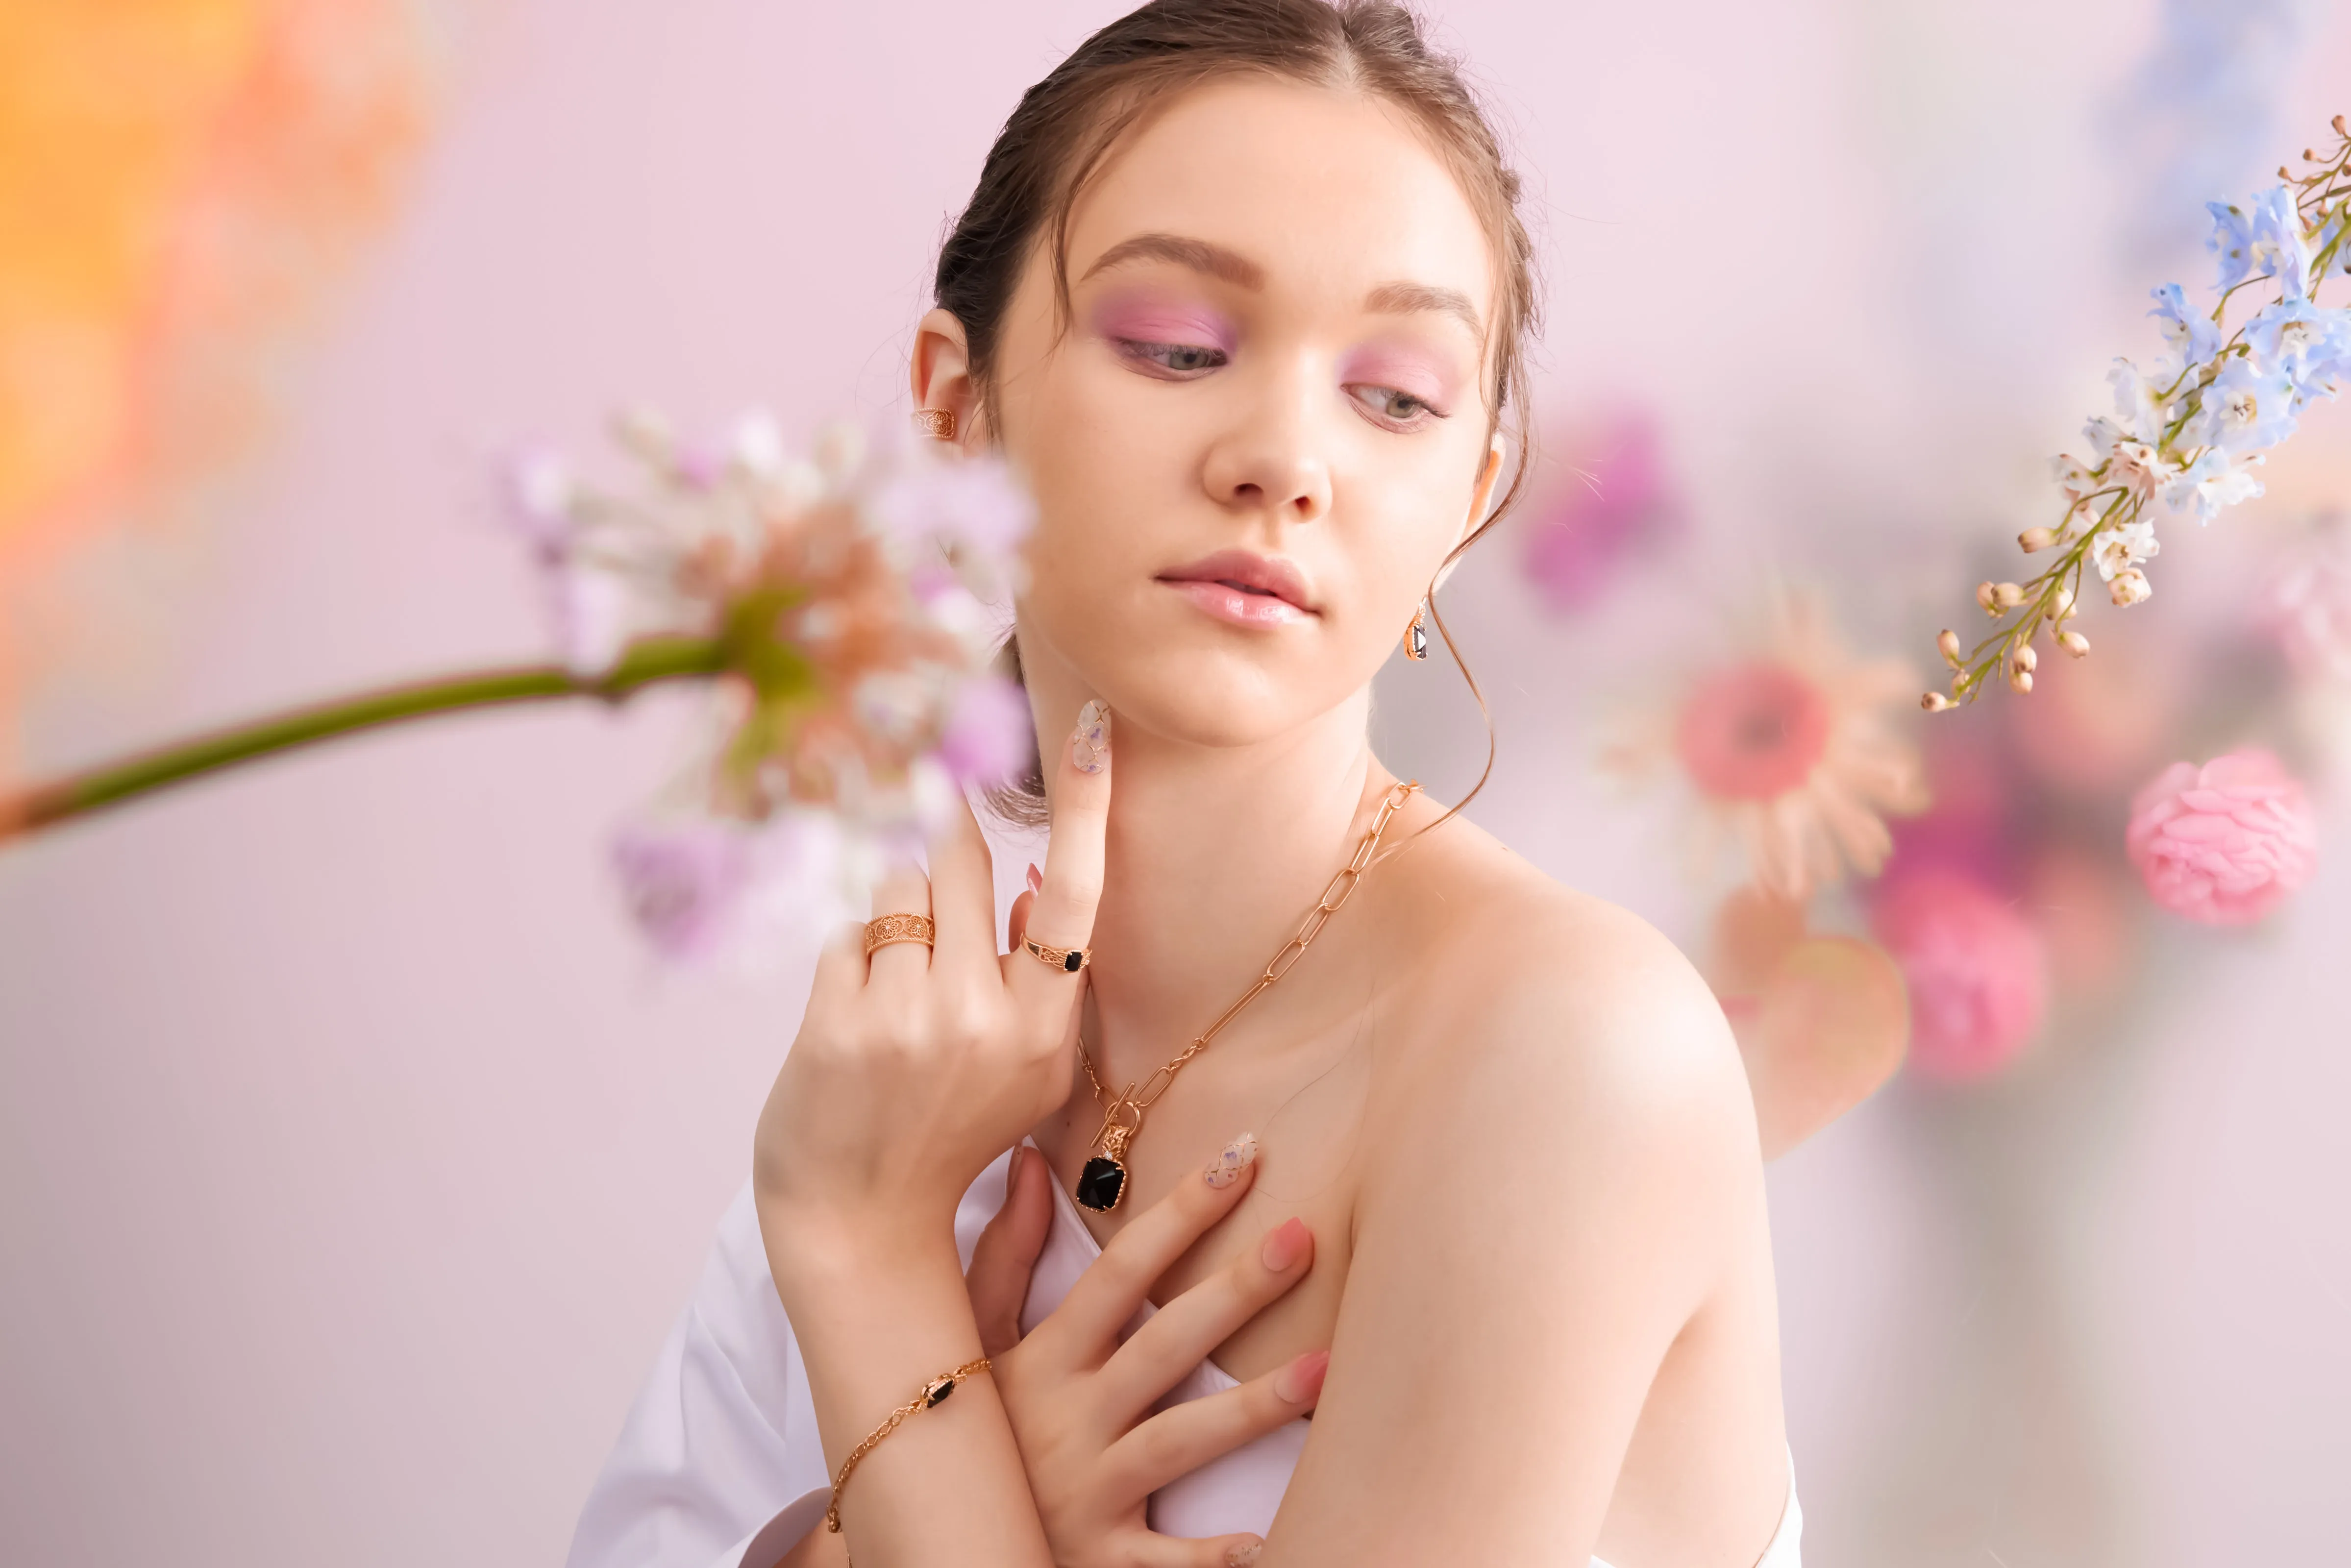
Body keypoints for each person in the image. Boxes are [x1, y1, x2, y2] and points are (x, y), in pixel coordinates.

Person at [571, 3, 1803, 1563]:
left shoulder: (1569, 1050)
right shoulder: (919, 1045)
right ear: (955, 401)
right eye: (1177, 346)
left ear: (1471, 492)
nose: (1285, 455)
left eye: (1396, 396)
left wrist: (873, 1268)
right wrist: (940, 1486)